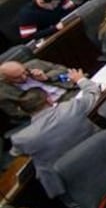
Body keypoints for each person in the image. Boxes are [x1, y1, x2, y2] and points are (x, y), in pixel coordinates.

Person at [10, 69, 100, 197]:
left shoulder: (21, 138)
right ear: (49, 99)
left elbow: (17, 153)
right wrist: (80, 79)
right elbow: (93, 92)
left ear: (24, 111)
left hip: (68, 184)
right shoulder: (71, 107)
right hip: (101, 156)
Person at [0, 58, 71, 123]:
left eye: (24, 72)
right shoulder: (3, 93)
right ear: (6, 80)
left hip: (69, 92)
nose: (24, 77)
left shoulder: (35, 64)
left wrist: (47, 77)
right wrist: (41, 110)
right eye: (17, 78)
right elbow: (16, 114)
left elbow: (63, 70)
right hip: (49, 112)